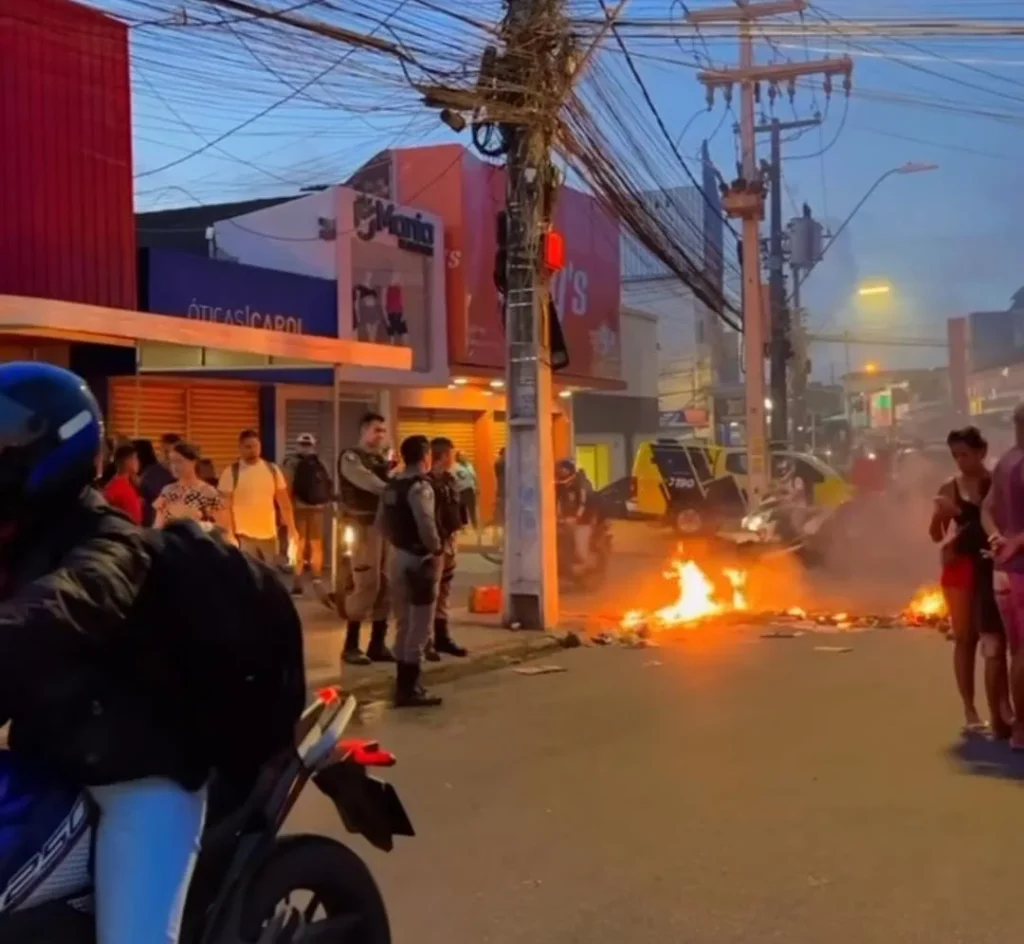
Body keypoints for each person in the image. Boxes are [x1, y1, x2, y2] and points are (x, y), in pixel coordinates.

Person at [0, 364, 213, 944]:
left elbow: (65, 603)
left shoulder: (113, 542)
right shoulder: (15, 533)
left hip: (136, 774)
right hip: (47, 756)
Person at [930, 427, 1010, 738]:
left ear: (981, 452)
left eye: (965, 454)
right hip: (961, 569)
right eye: (955, 456)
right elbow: (936, 535)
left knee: (997, 640)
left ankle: (1002, 709)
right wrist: (940, 515)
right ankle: (970, 708)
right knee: (966, 639)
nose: (961, 461)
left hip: (991, 565)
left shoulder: (997, 483)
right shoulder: (950, 487)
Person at [378, 435, 443, 708]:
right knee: (420, 625)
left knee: (403, 622)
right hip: (419, 560)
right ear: (425, 457)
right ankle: (410, 687)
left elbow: (380, 523)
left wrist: (397, 545)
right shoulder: (420, 488)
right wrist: (436, 549)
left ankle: (401, 683)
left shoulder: (392, 485)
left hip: (397, 556)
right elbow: (426, 523)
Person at [982, 402, 1024, 749]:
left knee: (1015, 651)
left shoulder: (1004, 462)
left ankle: (1012, 727)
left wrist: (997, 537)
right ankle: (1021, 729)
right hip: (1020, 570)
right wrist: (1016, 542)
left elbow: (987, 510)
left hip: (1002, 574)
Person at [338, 412, 394, 665]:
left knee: (387, 584)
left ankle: (377, 644)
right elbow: (369, 483)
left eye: (383, 430)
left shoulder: (383, 459)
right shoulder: (351, 458)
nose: (380, 435)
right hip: (362, 528)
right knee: (366, 584)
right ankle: (351, 645)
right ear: (363, 431)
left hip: (384, 527)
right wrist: (394, 485)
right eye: (376, 430)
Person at [218, 429, 296, 564]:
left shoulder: (272, 470)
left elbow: (284, 502)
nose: (253, 450)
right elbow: (224, 508)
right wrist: (229, 534)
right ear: (240, 448)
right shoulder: (231, 472)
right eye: (248, 447)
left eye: (256, 446)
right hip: (243, 537)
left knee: (269, 577)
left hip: (269, 536)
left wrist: (292, 528)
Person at [425, 438, 469, 661]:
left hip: (450, 540)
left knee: (444, 591)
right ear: (442, 456)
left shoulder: (450, 479)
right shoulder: (426, 482)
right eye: (451, 454)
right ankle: (427, 641)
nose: (454, 458)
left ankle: (442, 636)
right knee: (431, 593)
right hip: (435, 543)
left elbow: (457, 506)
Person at [284, 432, 332, 599]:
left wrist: (285, 511)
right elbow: (328, 483)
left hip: (298, 508)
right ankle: (317, 578)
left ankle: (298, 581)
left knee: (299, 543)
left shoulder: (290, 463)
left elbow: (287, 487)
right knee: (316, 544)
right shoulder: (320, 462)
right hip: (317, 508)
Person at [154, 441, 229, 533]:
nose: (174, 466)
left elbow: (222, 528)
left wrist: (198, 523)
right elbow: (158, 525)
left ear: (193, 462)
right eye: (172, 462)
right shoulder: (167, 491)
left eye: (179, 461)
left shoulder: (208, 491)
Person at [555, 458, 596, 572]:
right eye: (560, 471)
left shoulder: (580, 484)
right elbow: (558, 503)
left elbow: (583, 502)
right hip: (567, 520)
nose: (561, 473)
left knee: (580, 544)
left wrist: (577, 517)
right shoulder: (562, 485)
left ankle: (585, 564)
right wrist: (558, 516)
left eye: (563, 470)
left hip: (583, 520)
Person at [139, 433, 181, 526]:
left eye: (172, 452)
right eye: (165, 452)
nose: (168, 456)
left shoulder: (184, 474)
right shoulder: (149, 475)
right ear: (160, 450)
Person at [102, 442, 143, 525]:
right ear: (127, 461)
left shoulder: (116, 484)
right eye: (135, 458)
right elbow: (135, 519)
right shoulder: (122, 488)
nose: (138, 462)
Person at [453, 451, 478, 532]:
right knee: (462, 509)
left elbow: (474, 477)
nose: (463, 457)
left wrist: (477, 487)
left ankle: (475, 526)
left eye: (464, 455)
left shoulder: (469, 465)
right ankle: (463, 528)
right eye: (461, 456)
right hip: (461, 490)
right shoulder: (455, 467)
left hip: (470, 489)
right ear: (458, 457)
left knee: (472, 509)